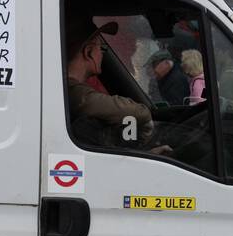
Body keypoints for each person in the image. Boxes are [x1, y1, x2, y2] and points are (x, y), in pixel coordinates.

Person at [65, 14, 164, 151]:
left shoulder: (67, 89)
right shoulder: (72, 92)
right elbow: (135, 113)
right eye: (102, 48)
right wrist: (143, 114)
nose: (102, 54)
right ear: (88, 52)